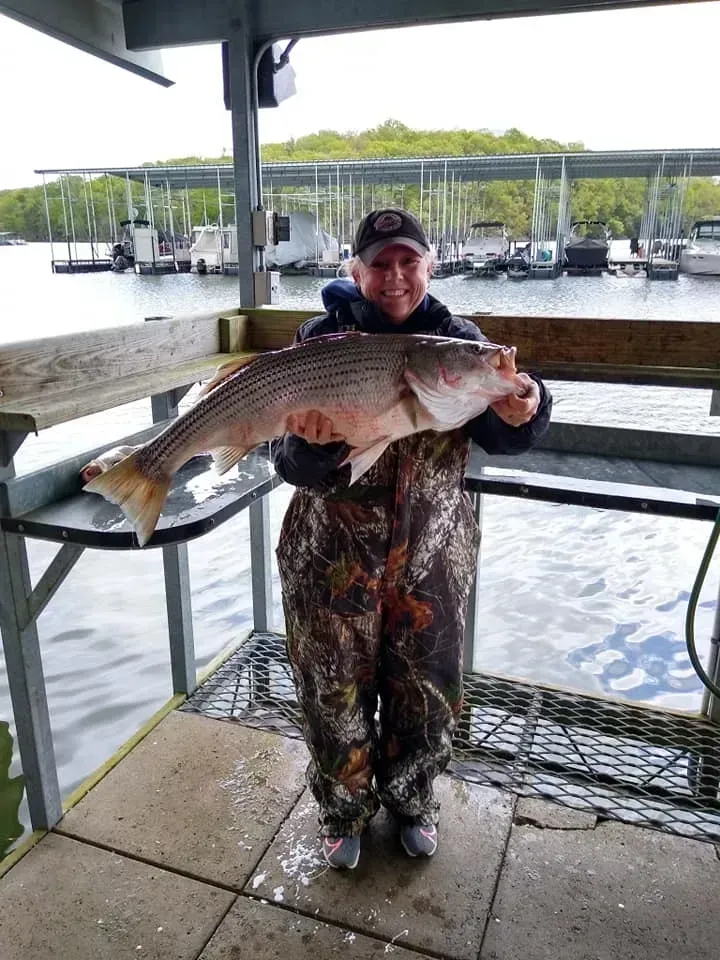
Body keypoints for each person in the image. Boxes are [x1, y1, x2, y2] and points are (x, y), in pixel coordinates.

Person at [272, 208, 552, 870]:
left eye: (408, 262)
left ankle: (412, 798)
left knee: (425, 689)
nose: (394, 277)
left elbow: (507, 429)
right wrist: (318, 443)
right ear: (356, 272)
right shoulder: (320, 340)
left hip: (431, 557)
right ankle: (342, 811)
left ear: (429, 267)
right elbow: (290, 465)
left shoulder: (460, 343)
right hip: (331, 557)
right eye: (379, 264)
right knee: (330, 690)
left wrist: (530, 401)